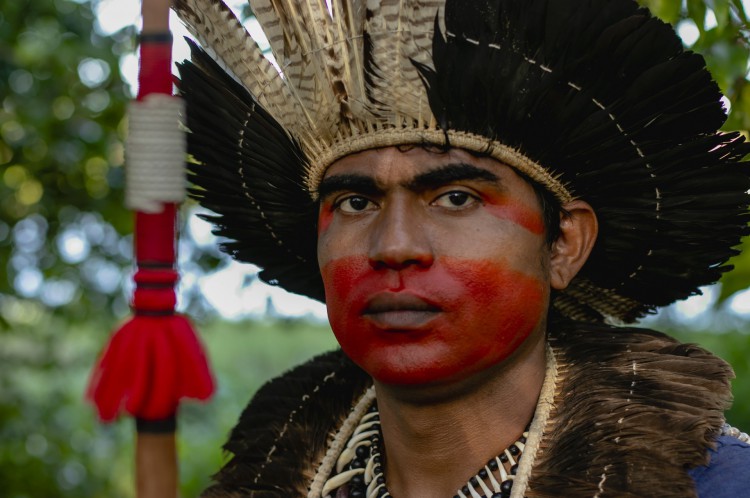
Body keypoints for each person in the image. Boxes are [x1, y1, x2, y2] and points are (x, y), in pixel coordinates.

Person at [173, 0, 750, 496]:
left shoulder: (716, 487)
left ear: (564, 245)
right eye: (354, 202)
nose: (393, 246)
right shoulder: (270, 478)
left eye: (454, 198)